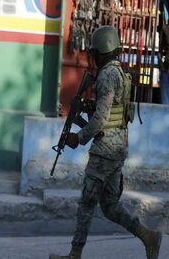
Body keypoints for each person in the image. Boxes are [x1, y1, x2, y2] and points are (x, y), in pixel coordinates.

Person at [49, 26, 162, 259]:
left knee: (87, 203)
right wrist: (89, 108)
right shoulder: (118, 73)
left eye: (94, 52)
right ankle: (148, 236)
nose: (92, 57)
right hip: (117, 147)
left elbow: (101, 120)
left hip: (105, 150)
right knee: (109, 206)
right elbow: (112, 110)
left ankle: (74, 255)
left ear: (102, 50)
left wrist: (77, 138)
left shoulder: (106, 76)